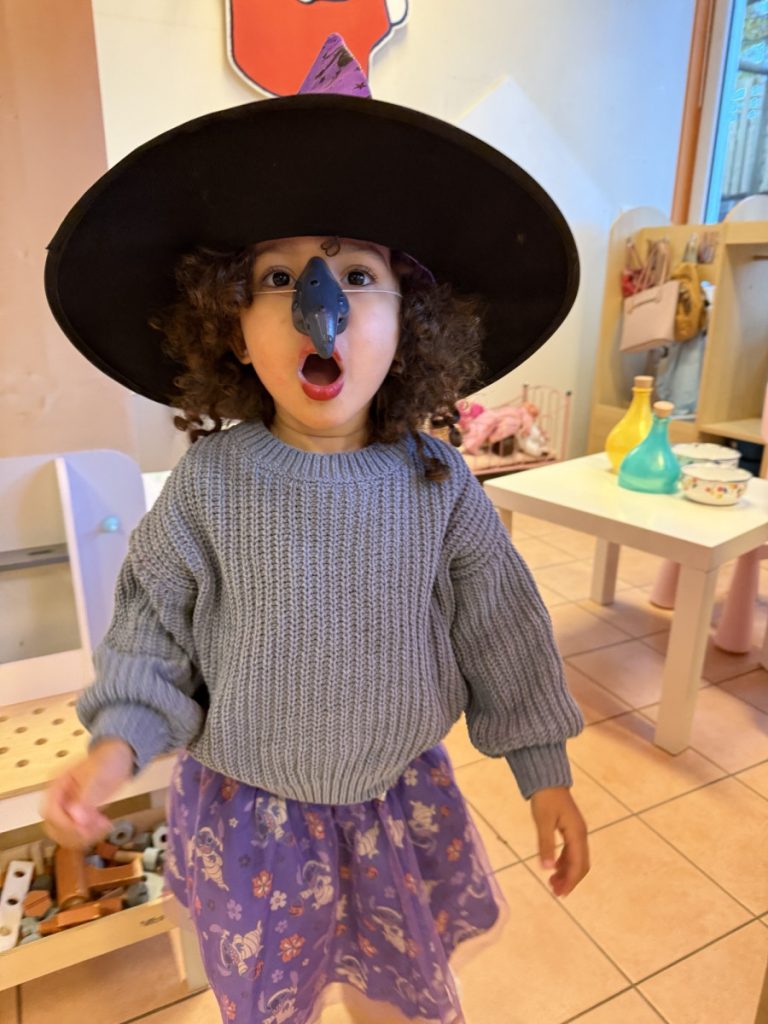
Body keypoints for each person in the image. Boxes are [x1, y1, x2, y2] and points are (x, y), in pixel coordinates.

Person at [40, 35, 588, 1024]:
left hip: (395, 802)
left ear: (412, 319)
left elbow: (501, 629)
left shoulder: (438, 482)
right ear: (230, 326)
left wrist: (542, 768)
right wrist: (114, 748)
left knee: (398, 1000)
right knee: (273, 1003)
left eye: (358, 273)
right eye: (278, 276)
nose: (319, 305)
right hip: (252, 814)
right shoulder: (211, 485)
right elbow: (153, 631)